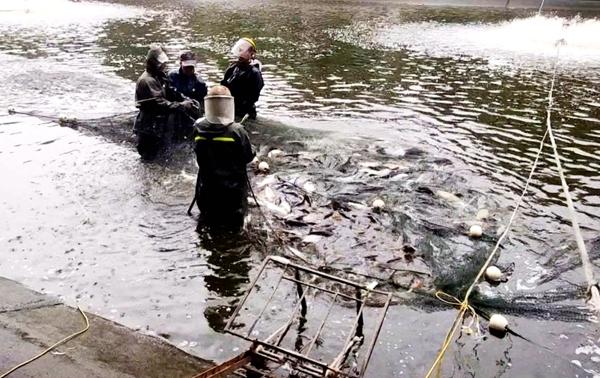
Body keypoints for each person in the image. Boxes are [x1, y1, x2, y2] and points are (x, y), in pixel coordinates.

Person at [193, 85, 255, 232]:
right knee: (234, 230)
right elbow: (248, 156)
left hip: (206, 188)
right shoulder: (237, 130)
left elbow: (198, 151)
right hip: (232, 191)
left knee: (208, 225)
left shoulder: (198, 127)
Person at [133, 44, 196, 159]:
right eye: (160, 63)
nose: (163, 65)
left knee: (161, 156)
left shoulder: (159, 76)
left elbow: (171, 91)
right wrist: (181, 105)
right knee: (149, 158)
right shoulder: (146, 80)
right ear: (153, 63)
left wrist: (184, 99)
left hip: (159, 126)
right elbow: (160, 104)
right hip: (148, 127)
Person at [221, 38, 264, 120]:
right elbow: (223, 86)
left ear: (251, 54)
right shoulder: (233, 68)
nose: (241, 55)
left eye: (245, 51)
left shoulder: (254, 73)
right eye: (240, 50)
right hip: (230, 108)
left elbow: (254, 96)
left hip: (245, 112)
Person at [168, 51, 207, 140]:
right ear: (180, 63)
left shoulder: (199, 82)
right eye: (186, 67)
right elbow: (167, 96)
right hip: (174, 109)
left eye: (191, 67)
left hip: (191, 113)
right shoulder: (171, 76)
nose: (189, 69)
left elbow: (202, 102)